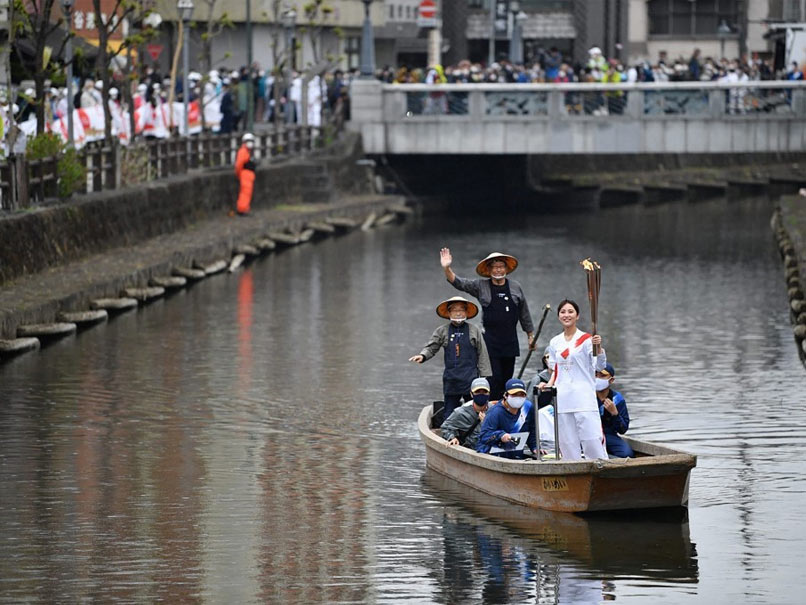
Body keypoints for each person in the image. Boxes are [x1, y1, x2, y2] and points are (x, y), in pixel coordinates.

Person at [440, 248, 535, 400]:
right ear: (489, 269)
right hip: (489, 342)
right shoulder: (481, 286)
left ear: (506, 269)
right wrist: (447, 268)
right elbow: (459, 283)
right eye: (494, 267)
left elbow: (524, 313)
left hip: (510, 342)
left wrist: (530, 335)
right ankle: (489, 411)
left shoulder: (515, 287)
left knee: (507, 380)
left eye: (501, 266)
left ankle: (505, 410)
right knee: (493, 379)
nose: (498, 270)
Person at [539, 299, 607, 461]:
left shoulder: (587, 339)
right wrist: (548, 385)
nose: (566, 315)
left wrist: (599, 348)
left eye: (570, 312)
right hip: (563, 398)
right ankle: (573, 472)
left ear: (577, 316)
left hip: (584, 398)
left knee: (591, 439)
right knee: (567, 443)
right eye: (563, 312)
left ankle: (601, 469)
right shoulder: (555, 342)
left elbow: (599, 366)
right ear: (558, 316)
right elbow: (556, 369)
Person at [409, 296, 492, 419]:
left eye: (461, 310)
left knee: (474, 411)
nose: (458, 313)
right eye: (454, 310)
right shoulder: (442, 331)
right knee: (449, 411)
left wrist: (484, 377)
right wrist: (422, 355)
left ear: (466, 312)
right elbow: (432, 347)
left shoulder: (474, 330)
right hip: (451, 379)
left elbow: (482, 353)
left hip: (471, 379)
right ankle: (449, 435)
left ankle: (473, 435)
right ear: (448, 312)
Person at [476, 378, 536, 459]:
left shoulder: (528, 407)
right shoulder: (495, 412)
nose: (518, 398)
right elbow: (484, 436)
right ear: (506, 395)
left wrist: (534, 447)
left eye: (521, 395)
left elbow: (532, 429)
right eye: (514, 395)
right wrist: (500, 435)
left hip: (514, 450)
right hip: (493, 453)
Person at [441, 377, 491, 450]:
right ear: (471, 394)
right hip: (469, 448)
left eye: (484, 392)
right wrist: (452, 438)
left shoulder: (494, 411)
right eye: (477, 392)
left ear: (489, 393)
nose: (481, 394)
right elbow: (446, 427)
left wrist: (486, 424)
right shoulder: (461, 412)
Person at [596, 363, 634, 458]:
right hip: (590, 436)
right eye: (596, 375)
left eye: (602, 375)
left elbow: (623, 429)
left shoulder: (617, 399)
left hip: (609, 435)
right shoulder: (587, 397)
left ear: (611, 380)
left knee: (627, 454)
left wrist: (615, 413)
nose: (598, 378)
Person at [234, 133, 256, 216]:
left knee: (247, 192)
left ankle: (244, 208)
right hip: (245, 174)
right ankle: (242, 209)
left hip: (249, 175)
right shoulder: (243, 151)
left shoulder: (247, 152)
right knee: (245, 192)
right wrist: (239, 174)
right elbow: (239, 164)